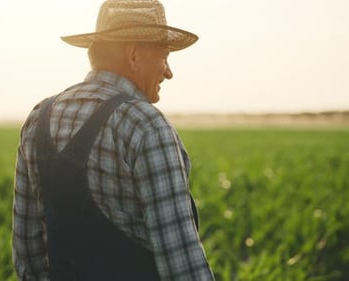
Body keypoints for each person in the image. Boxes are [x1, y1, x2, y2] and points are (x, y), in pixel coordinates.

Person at [12, 0, 215, 280]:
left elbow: (29, 257)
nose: (168, 71)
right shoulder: (146, 126)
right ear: (133, 55)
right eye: (165, 56)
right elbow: (182, 265)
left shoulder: (39, 118)